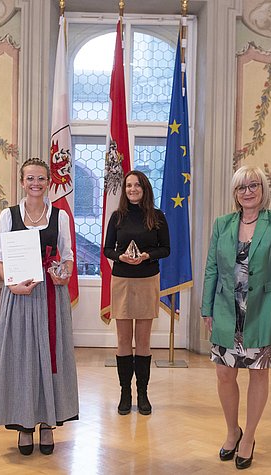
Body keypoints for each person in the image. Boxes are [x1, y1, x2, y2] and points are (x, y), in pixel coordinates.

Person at [201, 165, 271, 469]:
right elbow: (212, 268)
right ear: (235, 193)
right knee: (225, 373)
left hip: (263, 311)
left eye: (253, 185)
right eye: (242, 187)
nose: (247, 192)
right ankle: (232, 430)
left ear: (262, 189)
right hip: (226, 310)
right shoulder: (222, 224)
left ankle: (249, 436)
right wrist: (207, 309)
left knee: (258, 372)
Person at [0, 157, 79, 456]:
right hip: (19, 296)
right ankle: (25, 423)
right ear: (21, 181)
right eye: (30, 178)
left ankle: (48, 423)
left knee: (50, 358)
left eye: (41, 178)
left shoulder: (60, 217)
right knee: (22, 358)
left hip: (51, 297)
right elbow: (0, 257)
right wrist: (12, 285)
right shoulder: (8, 215)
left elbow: (67, 257)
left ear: (49, 181)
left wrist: (62, 274)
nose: (36, 184)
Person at [103, 170, 170, 416]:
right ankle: (125, 393)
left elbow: (166, 249)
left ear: (145, 188)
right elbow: (107, 249)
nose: (132, 189)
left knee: (143, 341)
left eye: (137, 185)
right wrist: (119, 256)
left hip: (147, 280)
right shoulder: (117, 217)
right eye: (128, 185)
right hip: (121, 280)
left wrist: (146, 256)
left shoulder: (158, 216)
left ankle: (142, 393)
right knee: (123, 341)